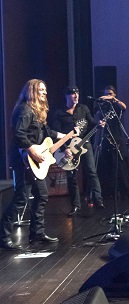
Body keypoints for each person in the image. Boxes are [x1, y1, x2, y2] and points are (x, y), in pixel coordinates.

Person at [1, 79, 75, 250]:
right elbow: (18, 134)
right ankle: (3, 236)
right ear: (32, 91)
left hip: (35, 162)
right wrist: (31, 150)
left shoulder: (37, 112)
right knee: (21, 198)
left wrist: (66, 135)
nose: (45, 93)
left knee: (41, 195)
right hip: (23, 160)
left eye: (45, 90)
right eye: (41, 90)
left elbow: (47, 133)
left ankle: (37, 234)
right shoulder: (24, 110)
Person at [48, 85, 105, 216]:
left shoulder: (83, 108)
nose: (76, 96)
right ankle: (75, 205)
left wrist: (99, 125)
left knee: (91, 171)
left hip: (85, 145)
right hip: (67, 148)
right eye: (73, 94)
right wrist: (65, 148)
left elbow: (91, 123)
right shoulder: (58, 113)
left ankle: (98, 201)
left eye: (77, 93)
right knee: (72, 176)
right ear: (66, 96)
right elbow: (55, 134)